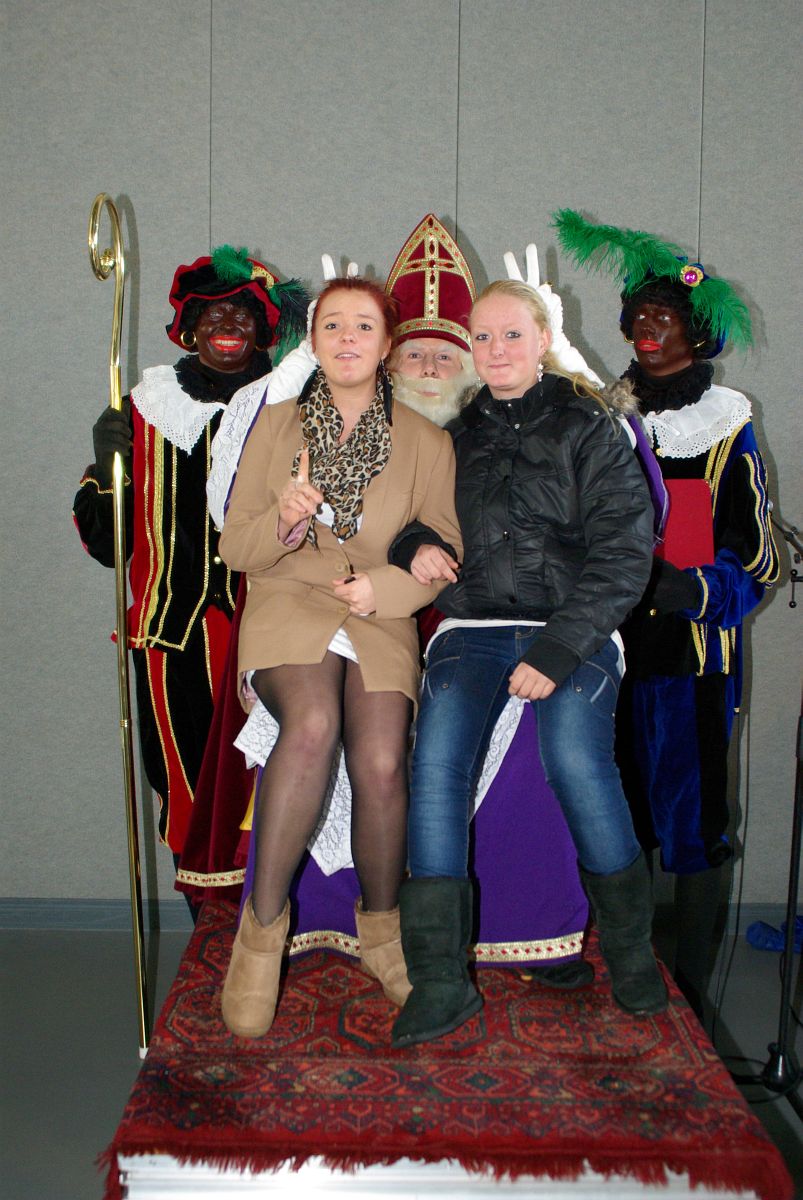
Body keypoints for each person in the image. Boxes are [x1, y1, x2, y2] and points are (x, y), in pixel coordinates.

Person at [390, 278, 667, 1048]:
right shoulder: (448, 435)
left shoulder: (590, 426)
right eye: (481, 337)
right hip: (471, 628)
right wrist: (413, 544)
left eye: (511, 334)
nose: (496, 350)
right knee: (435, 768)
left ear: (543, 339)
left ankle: (630, 951)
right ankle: (439, 980)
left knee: (575, 759)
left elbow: (624, 553)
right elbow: (399, 516)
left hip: (573, 630)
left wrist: (556, 648)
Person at [217, 275, 462, 1039]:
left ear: (386, 344)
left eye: (363, 325)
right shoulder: (276, 424)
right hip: (288, 599)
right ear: (313, 342)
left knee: (383, 759)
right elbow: (235, 548)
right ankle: (261, 933)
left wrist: (383, 587)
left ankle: (381, 931)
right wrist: (284, 522)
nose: (347, 338)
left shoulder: (428, 442)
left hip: (377, 614)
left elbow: (442, 553)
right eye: (331, 325)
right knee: (313, 723)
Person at [553, 210, 780, 1018]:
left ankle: (686, 998)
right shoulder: (594, 412)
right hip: (599, 649)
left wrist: (695, 589)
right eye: (640, 315)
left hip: (689, 658)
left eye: (667, 317)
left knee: (690, 820)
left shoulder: (726, 425)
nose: (649, 328)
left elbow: (761, 558)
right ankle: (614, 971)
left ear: (697, 334)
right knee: (602, 810)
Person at [73, 247, 307, 883]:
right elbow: (107, 546)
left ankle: (272, 918)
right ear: (189, 327)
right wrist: (108, 469)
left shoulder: (293, 405)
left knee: (281, 784)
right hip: (171, 639)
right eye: (213, 313)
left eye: (242, 314)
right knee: (187, 790)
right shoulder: (145, 409)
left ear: (264, 330)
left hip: (278, 632)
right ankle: (208, 918)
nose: (227, 325)